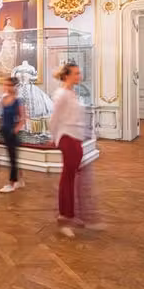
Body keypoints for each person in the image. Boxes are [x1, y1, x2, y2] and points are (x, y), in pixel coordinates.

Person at [48, 63, 86, 238]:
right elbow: (54, 119)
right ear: (67, 75)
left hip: (75, 137)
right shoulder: (62, 94)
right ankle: (64, 217)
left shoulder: (71, 93)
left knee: (71, 177)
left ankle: (70, 214)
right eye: (76, 73)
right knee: (67, 178)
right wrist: (55, 137)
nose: (79, 76)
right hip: (67, 138)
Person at [0, 77, 25, 193]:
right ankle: (20, 180)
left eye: (9, 85)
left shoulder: (18, 101)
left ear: (14, 86)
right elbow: (1, 116)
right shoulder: (3, 99)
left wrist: (15, 130)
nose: (6, 87)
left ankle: (12, 184)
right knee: (13, 157)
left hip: (12, 133)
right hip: (5, 132)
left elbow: (23, 119)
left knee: (12, 159)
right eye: (5, 84)